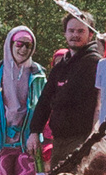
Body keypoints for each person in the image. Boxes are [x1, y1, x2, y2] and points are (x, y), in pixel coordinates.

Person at [27, 12, 101, 164]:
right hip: (59, 140)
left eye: (81, 31)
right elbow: (45, 100)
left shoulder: (95, 63)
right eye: (71, 31)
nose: (75, 35)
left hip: (82, 140)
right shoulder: (61, 66)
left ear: (90, 35)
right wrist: (35, 131)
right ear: (65, 33)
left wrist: (93, 136)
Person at [0, 25, 46, 175]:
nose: (23, 49)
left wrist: (38, 135)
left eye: (28, 45)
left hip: (27, 144)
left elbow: (44, 108)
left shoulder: (38, 74)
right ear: (10, 43)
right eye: (19, 44)